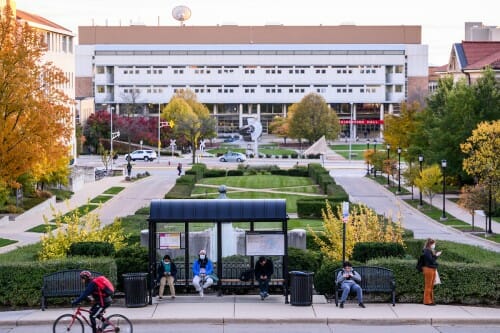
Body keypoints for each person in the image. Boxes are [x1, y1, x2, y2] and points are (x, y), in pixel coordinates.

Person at [422, 238, 442, 305]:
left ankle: (431, 300)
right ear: (430, 244)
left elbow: (432, 259)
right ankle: (427, 301)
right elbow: (430, 260)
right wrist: (436, 255)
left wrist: (435, 255)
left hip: (432, 269)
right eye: (433, 244)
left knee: (431, 286)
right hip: (429, 269)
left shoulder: (430, 250)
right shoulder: (427, 251)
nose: (434, 245)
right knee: (428, 286)